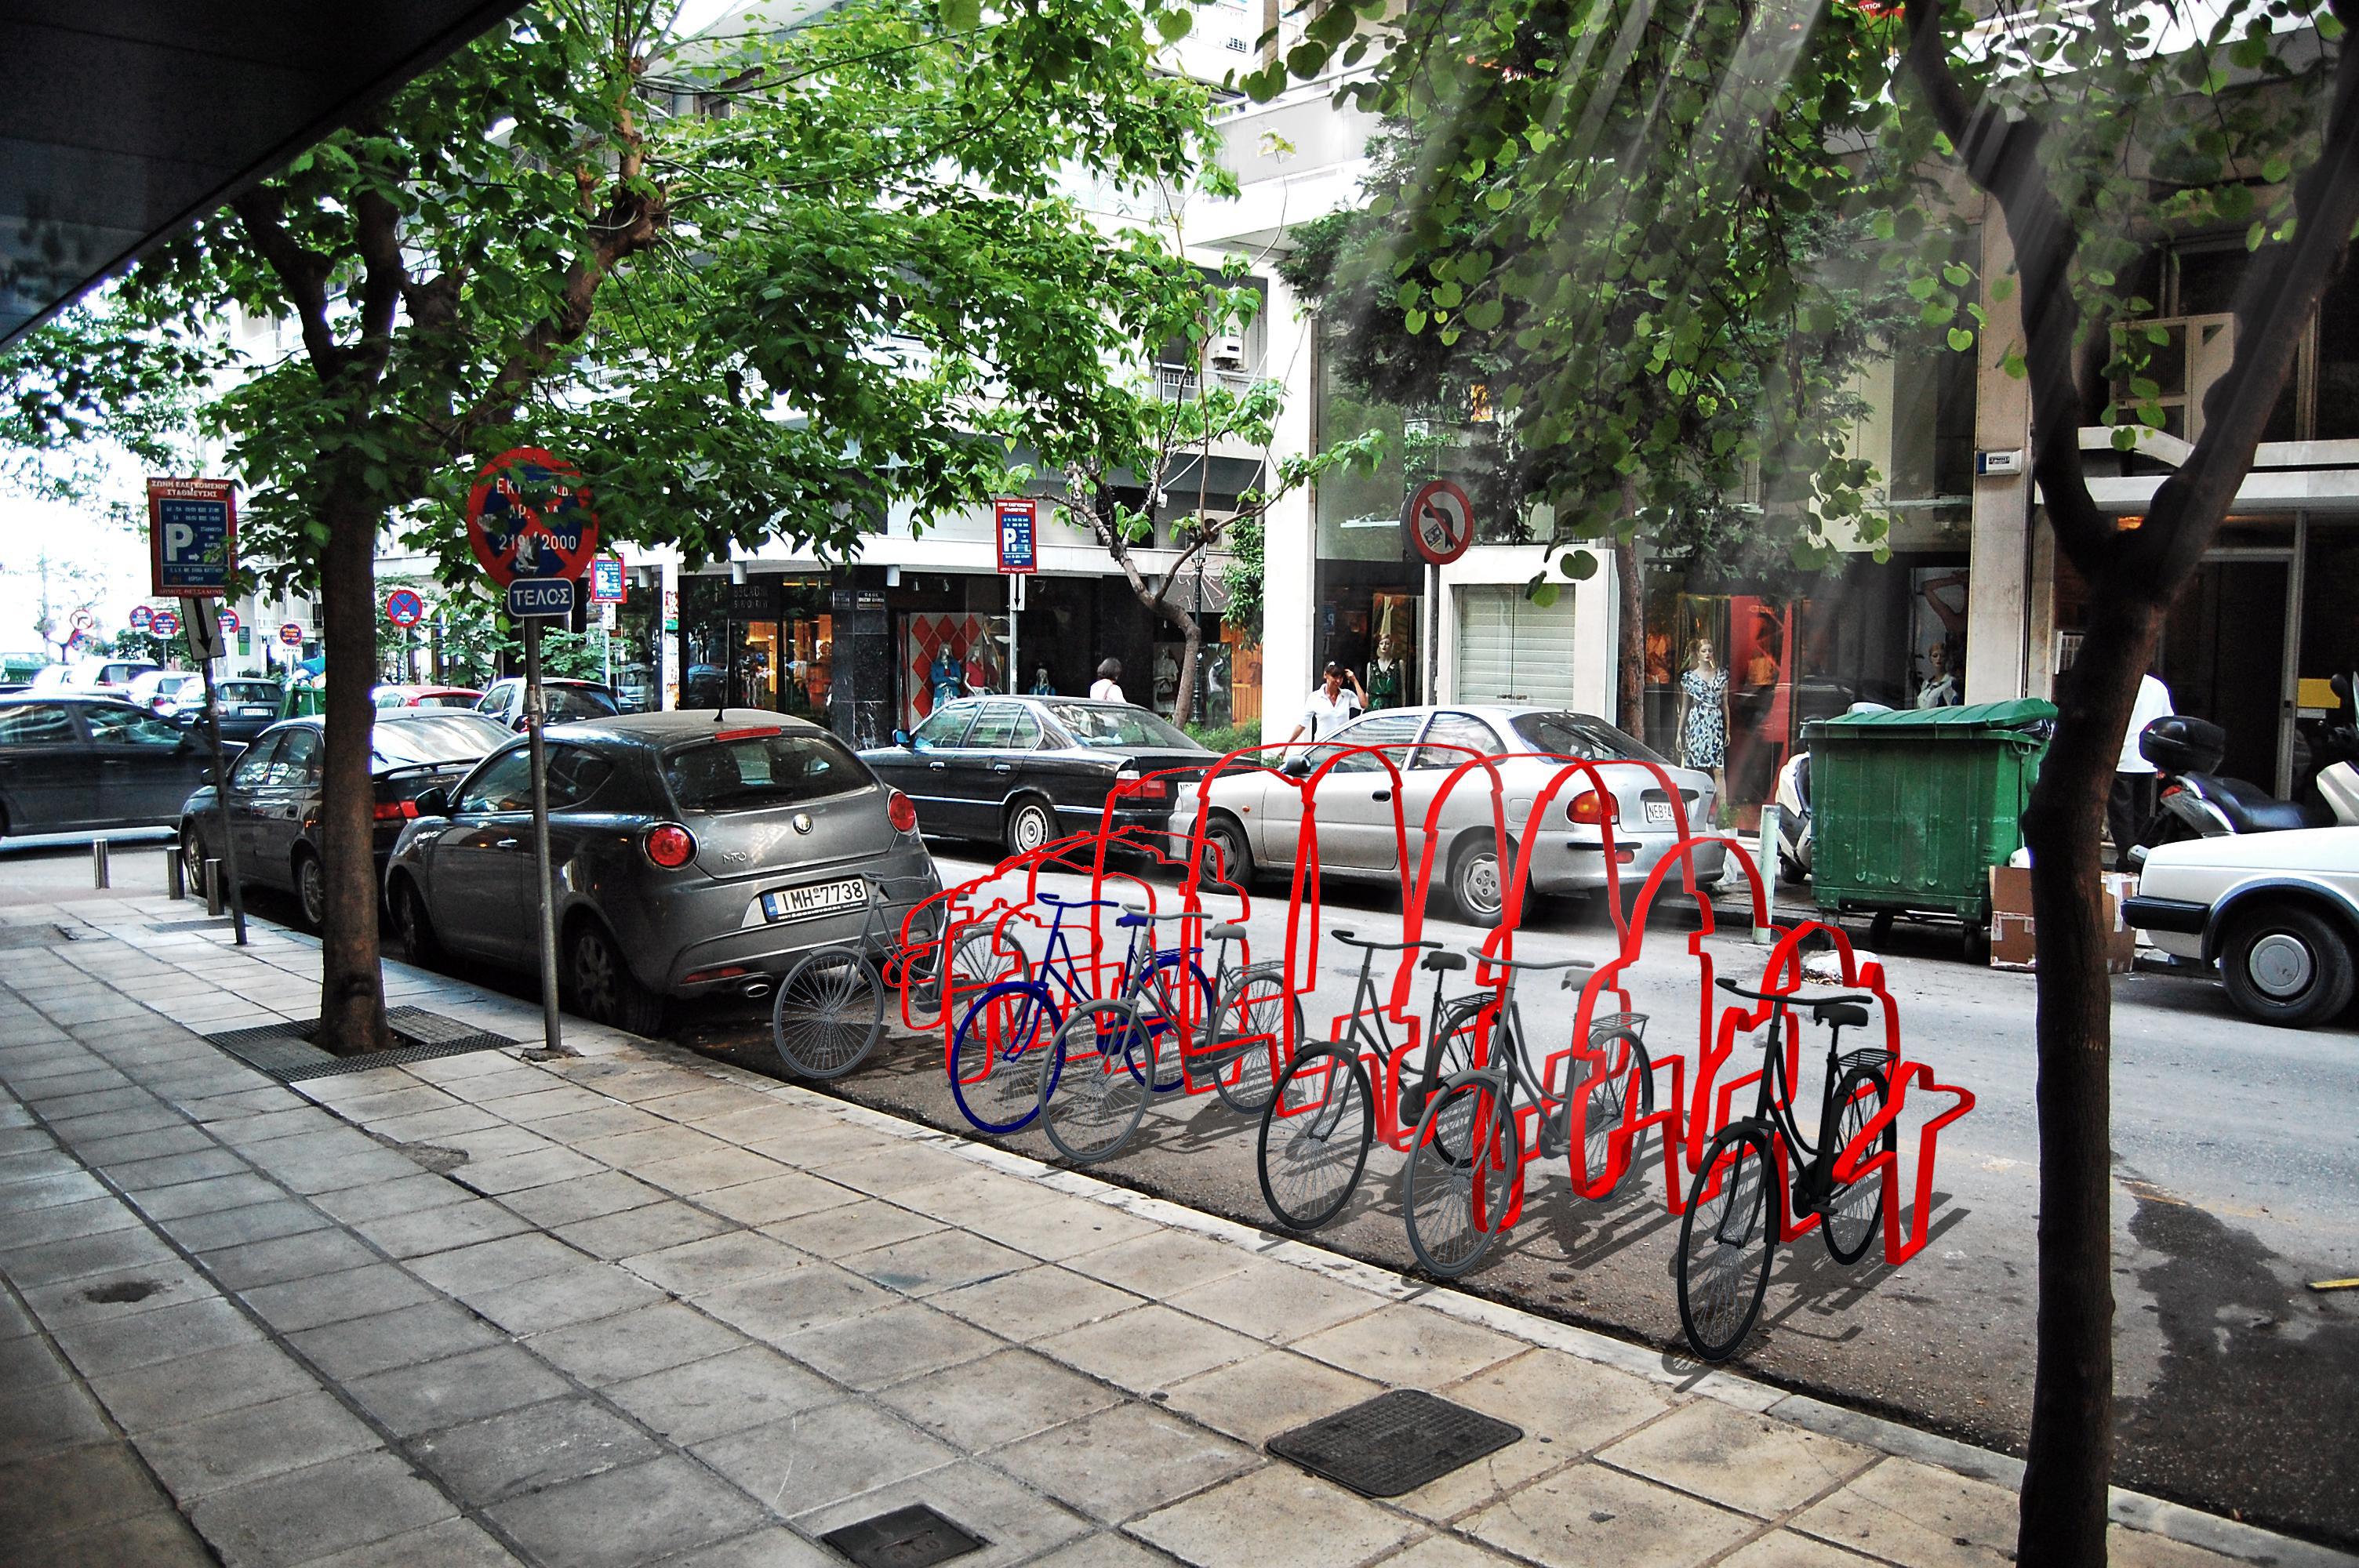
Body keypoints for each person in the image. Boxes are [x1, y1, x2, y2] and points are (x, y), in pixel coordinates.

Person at [2111, 666, 2175, 865]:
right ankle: (2138, 860)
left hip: (2121, 759)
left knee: (2121, 817)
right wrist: (2163, 761)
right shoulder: (2158, 688)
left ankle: (2126, 861)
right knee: (2142, 815)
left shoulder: (2119, 684)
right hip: (2147, 761)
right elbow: (2168, 723)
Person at [1675, 638, 1729, 799]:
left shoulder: (1721, 676)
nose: (1707, 654)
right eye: (1704, 651)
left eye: (1710, 651)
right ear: (1698, 654)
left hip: (1715, 723)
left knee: (1719, 769)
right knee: (1692, 768)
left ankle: (1723, 810)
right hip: (1696, 723)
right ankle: (1691, 805)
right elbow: (1685, 707)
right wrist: (1679, 733)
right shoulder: (1689, 678)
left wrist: (1728, 729)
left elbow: (1725, 704)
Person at [1285, 661, 1367, 746]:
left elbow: (1364, 704)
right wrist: (1287, 745)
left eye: (1341, 678)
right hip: (1322, 747)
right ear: (1325, 675)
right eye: (1334, 677)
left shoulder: (1347, 695)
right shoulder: (1315, 697)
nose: (1338, 681)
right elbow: (1302, 724)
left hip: (1343, 745)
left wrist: (1354, 680)